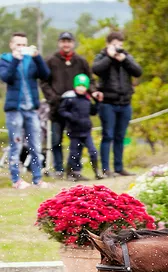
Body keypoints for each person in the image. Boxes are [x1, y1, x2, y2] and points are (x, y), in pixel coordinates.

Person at [41, 31, 100, 179]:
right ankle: (59, 169)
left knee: (77, 141)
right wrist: (54, 98)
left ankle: (74, 170)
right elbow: (43, 82)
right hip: (57, 108)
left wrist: (93, 92)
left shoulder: (80, 61)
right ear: (59, 43)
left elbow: (90, 80)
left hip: (77, 109)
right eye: (63, 41)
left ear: (73, 43)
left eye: (68, 41)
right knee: (56, 140)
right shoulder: (50, 61)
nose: (66, 44)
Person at [0, 32, 51, 189]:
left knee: (35, 144)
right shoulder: (5, 60)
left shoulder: (31, 60)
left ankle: (38, 179)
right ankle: (16, 180)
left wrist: (37, 57)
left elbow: (45, 75)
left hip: (31, 109)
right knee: (16, 144)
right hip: (14, 109)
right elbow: (5, 77)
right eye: (18, 45)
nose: (21, 48)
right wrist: (15, 60)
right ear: (12, 45)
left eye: (24, 45)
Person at [92, 31, 142, 177]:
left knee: (120, 136)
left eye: (120, 45)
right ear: (108, 45)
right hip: (108, 102)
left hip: (125, 102)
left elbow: (138, 72)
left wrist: (124, 60)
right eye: (115, 45)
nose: (118, 47)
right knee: (108, 135)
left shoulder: (125, 56)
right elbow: (96, 70)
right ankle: (106, 168)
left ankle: (119, 167)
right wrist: (109, 56)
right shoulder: (102, 56)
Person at [59, 74, 102, 181]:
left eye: (83, 86)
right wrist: (71, 117)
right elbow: (62, 111)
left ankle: (97, 171)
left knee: (93, 151)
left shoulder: (87, 99)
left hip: (86, 131)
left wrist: (97, 102)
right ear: (75, 86)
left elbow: (93, 111)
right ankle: (70, 173)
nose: (81, 88)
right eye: (79, 85)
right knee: (74, 153)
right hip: (74, 131)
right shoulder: (69, 98)